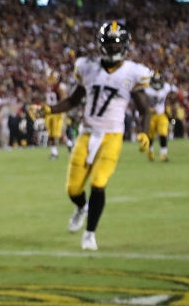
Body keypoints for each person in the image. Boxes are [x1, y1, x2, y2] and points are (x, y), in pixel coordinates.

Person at [46, 21, 151, 251]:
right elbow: (73, 100)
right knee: (73, 190)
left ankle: (90, 234)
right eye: (109, 42)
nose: (113, 47)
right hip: (87, 133)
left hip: (112, 135)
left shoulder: (133, 72)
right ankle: (82, 208)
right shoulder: (88, 67)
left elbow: (144, 108)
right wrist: (49, 110)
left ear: (124, 45)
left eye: (117, 43)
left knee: (99, 183)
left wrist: (144, 133)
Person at [144, 72, 177, 162]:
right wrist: (147, 108)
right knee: (151, 136)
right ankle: (150, 153)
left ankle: (163, 155)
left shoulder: (166, 87)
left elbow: (175, 89)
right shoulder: (147, 89)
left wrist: (173, 98)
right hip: (151, 115)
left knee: (163, 134)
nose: (157, 82)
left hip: (162, 114)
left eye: (158, 80)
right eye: (155, 80)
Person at [44, 75, 68, 159]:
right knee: (51, 134)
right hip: (50, 113)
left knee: (58, 134)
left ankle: (70, 145)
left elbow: (64, 99)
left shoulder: (59, 86)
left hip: (57, 113)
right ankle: (54, 153)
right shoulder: (48, 87)